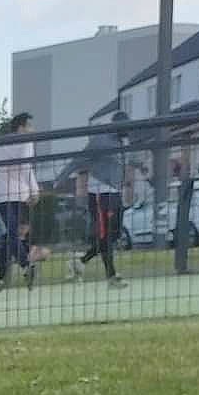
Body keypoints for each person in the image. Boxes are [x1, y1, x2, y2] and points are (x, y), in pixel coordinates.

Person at [69, 111, 134, 287]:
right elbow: (80, 159)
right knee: (105, 235)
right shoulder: (100, 140)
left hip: (115, 192)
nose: (128, 130)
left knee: (115, 234)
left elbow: (124, 164)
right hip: (99, 193)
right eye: (125, 127)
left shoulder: (124, 142)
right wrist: (62, 178)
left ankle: (81, 261)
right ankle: (111, 276)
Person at [0, 112, 41, 290]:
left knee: (8, 236)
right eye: (30, 126)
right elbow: (26, 166)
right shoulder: (26, 142)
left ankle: (1, 278)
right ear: (21, 128)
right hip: (19, 195)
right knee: (12, 234)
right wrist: (35, 190)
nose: (33, 130)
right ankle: (26, 265)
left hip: (1, 195)